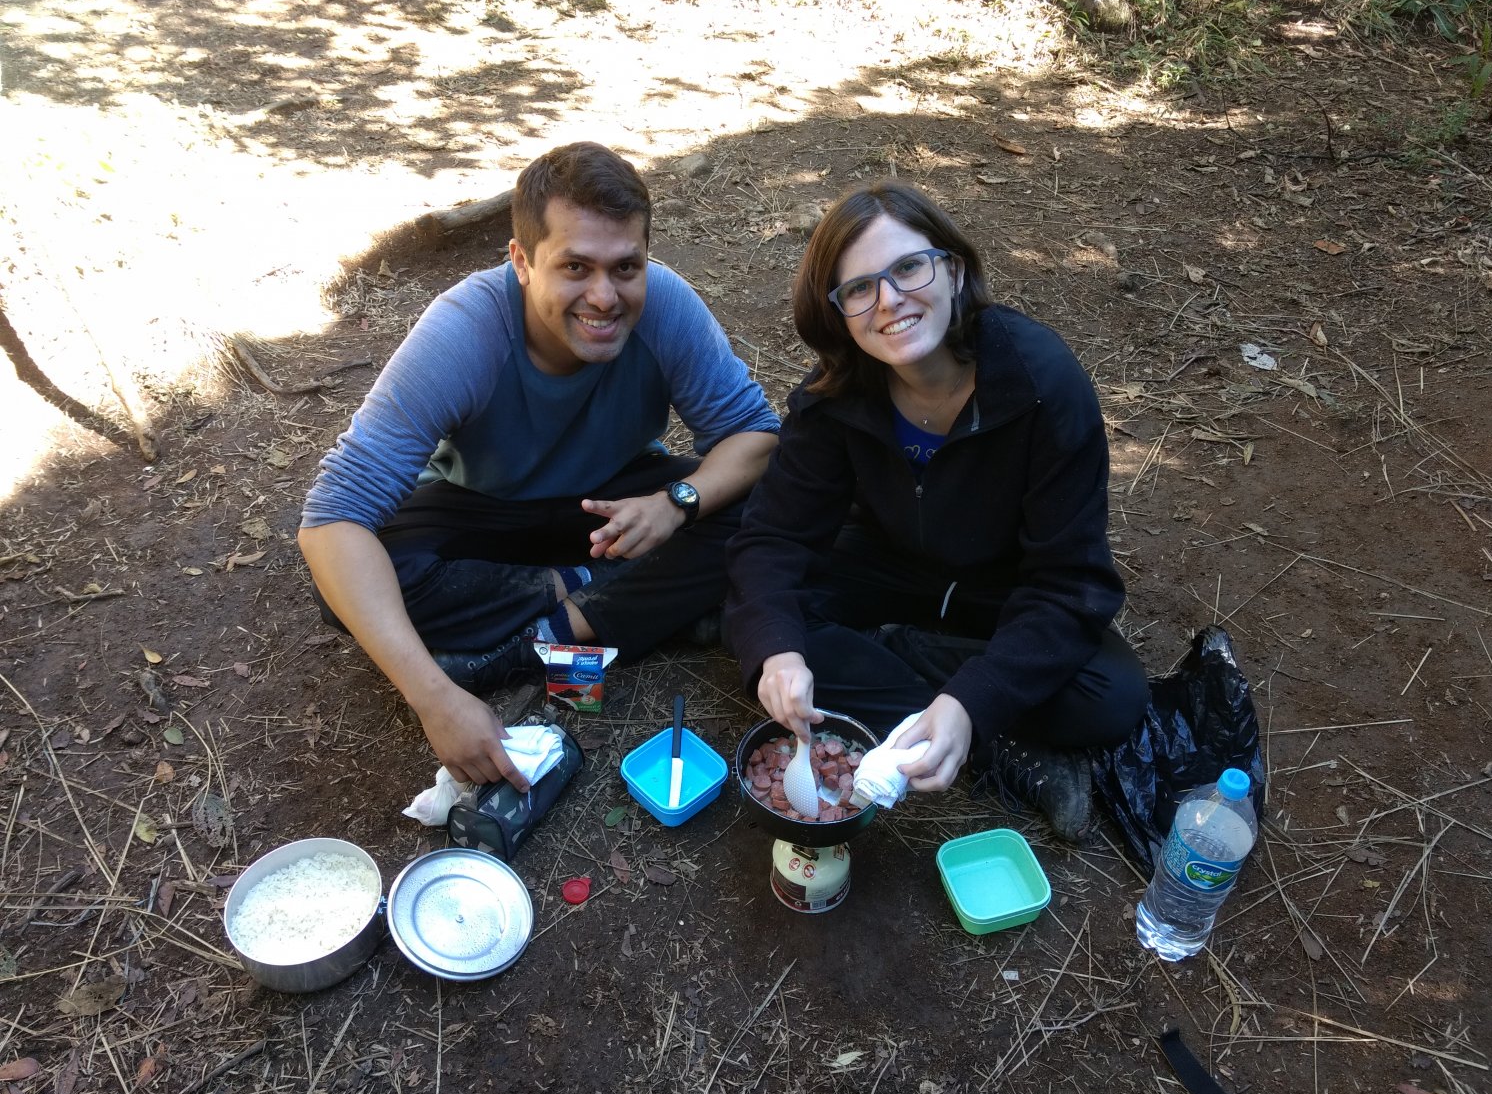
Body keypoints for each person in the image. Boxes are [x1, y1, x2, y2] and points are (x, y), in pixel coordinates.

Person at [300, 142, 780, 792]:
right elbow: (332, 519)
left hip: (610, 504)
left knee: (762, 506)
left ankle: (541, 638)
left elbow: (756, 435)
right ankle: (617, 595)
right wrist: (432, 696)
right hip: (482, 508)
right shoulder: (465, 330)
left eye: (626, 267)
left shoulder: (665, 305)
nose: (605, 297)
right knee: (355, 577)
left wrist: (677, 503)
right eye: (575, 267)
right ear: (522, 262)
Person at [724, 181, 1147, 842]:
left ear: (953, 269)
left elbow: (1071, 586)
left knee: (1111, 695)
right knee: (761, 624)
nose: (889, 300)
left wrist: (971, 698)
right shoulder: (836, 394)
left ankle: (925, 682)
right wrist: (778, 653)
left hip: (1000, 591)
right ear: (839, 313)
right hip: (886, 565)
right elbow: (774, 537)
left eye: (908, 268)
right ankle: (991, 744)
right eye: (859, 288)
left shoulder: (1040, 386)